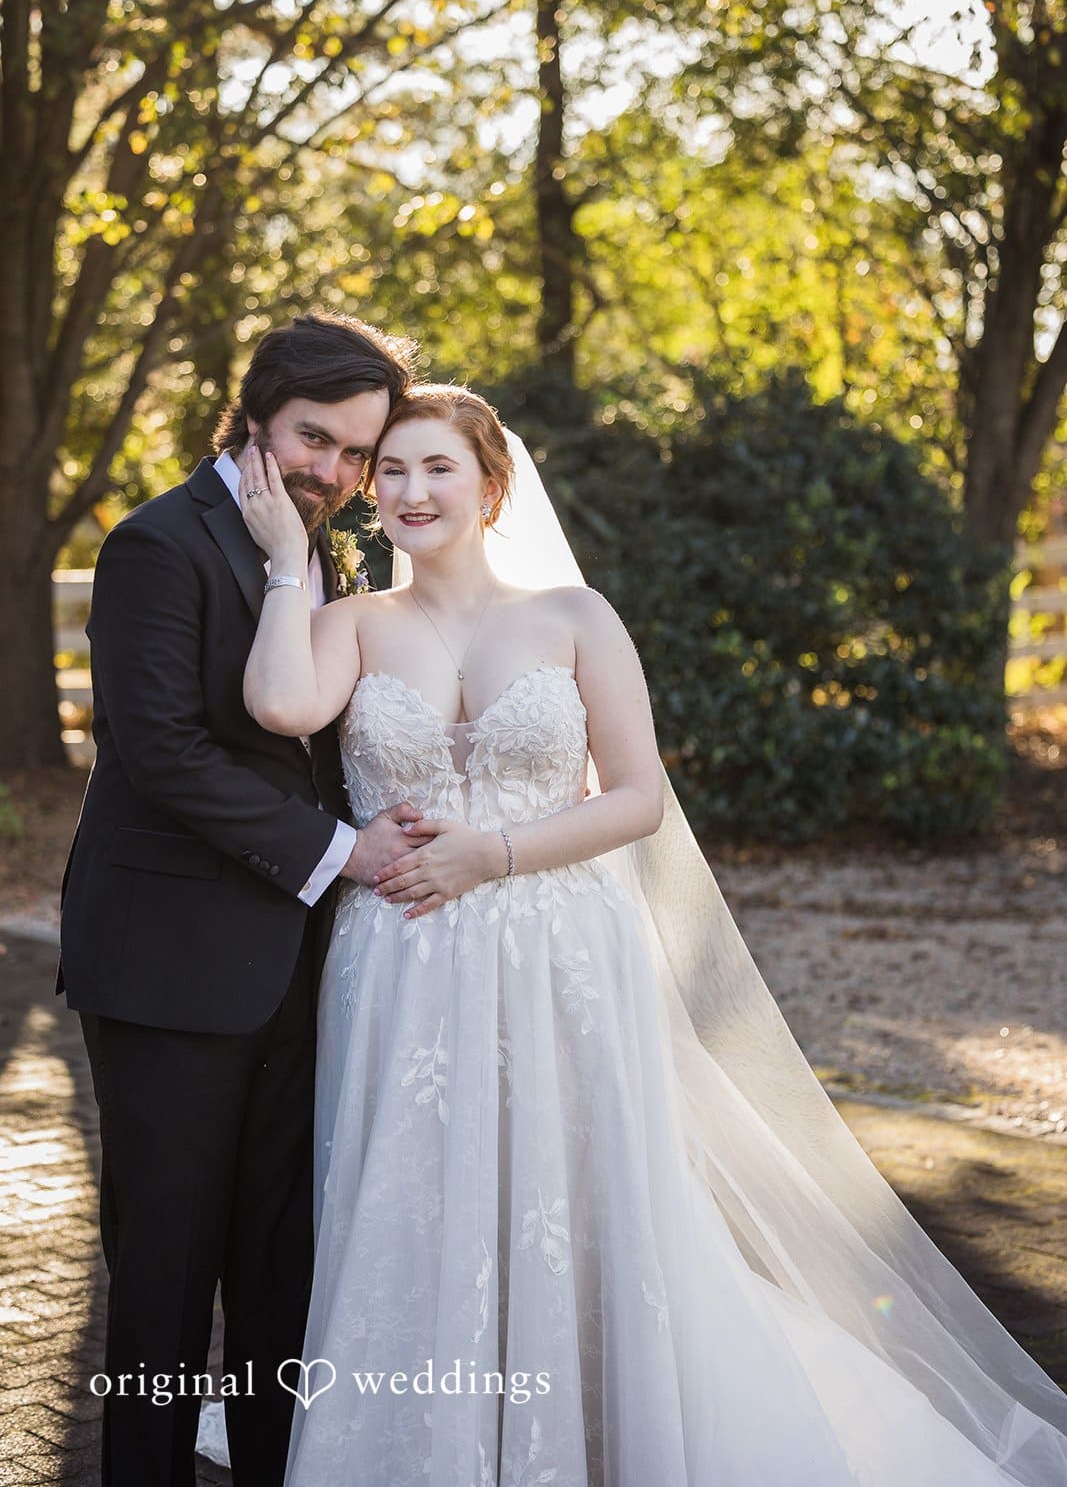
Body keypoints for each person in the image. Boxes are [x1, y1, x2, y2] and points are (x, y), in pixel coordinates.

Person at [239, 383, 1067, 1486]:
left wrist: (493, 851)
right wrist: (285, 557)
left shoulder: (575, 616)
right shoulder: (348, 622)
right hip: (403, 957)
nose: (409, 489)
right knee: (416, 1197)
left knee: (576, 1196)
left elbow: (634, 798)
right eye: (389, 469)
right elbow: (279, 707)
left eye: (437, 467)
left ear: (491, 488)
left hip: (562, 950)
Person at [58, 312, 429, 1487]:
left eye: (358, 454)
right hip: (170, 968)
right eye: (316, 438)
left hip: (306, 969)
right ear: (257, 411)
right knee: (165, 1281)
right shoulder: (157, 544)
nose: (335, 472)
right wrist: (345, 853)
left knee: (282, 1276)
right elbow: (160, 752)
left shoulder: (330, 549)